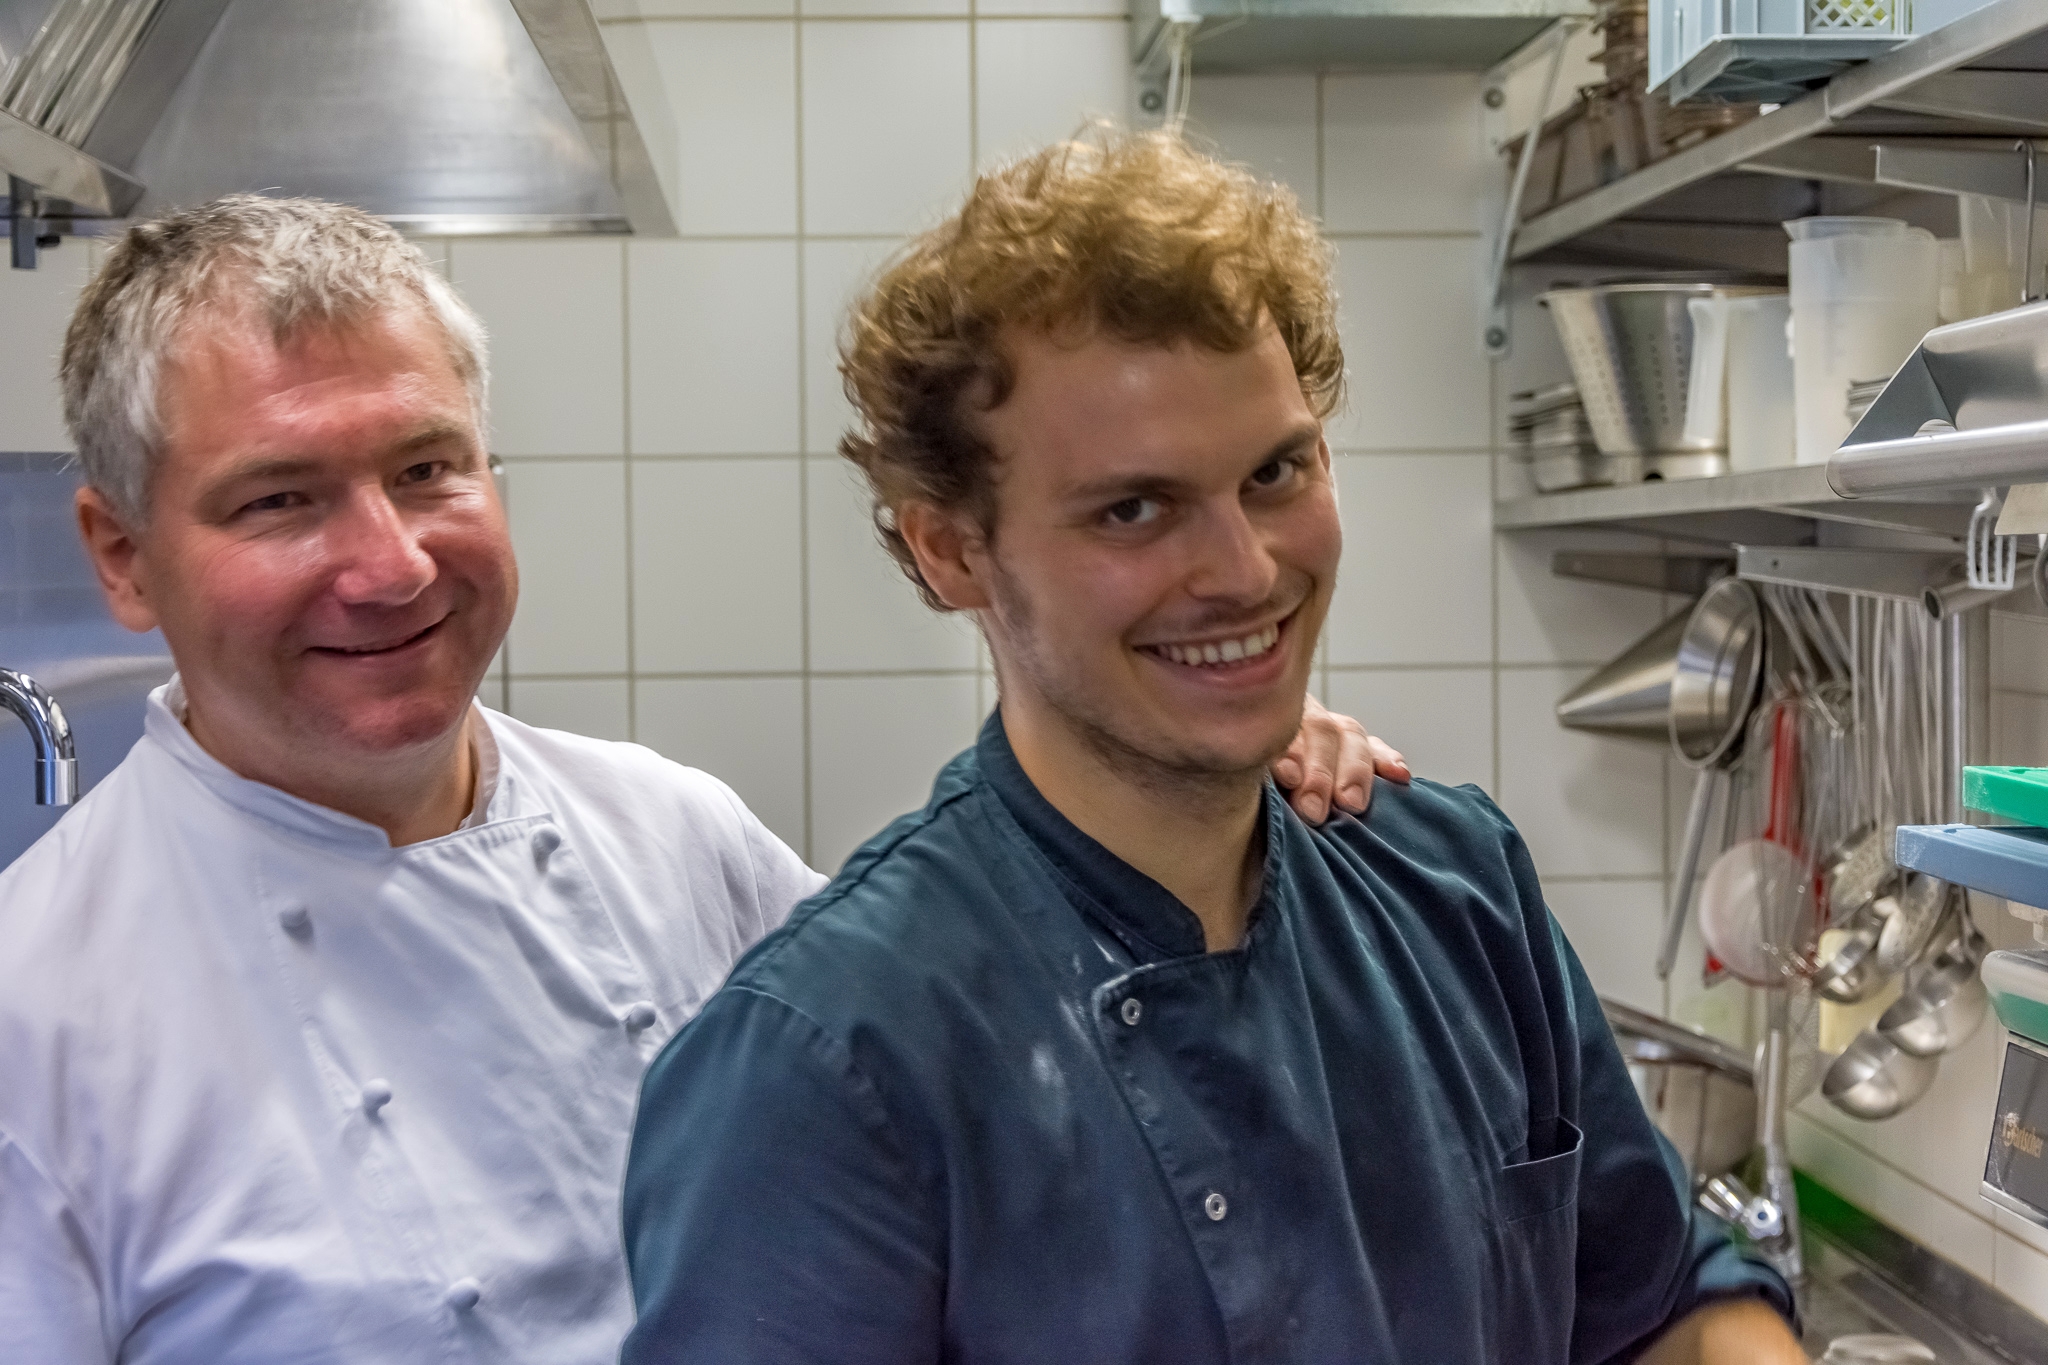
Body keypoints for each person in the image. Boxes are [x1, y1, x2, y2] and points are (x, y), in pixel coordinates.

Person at [0, 194, 1399, 1363]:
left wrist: (1201, 730)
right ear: (120, 554)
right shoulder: (38, 1013)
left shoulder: (670, 832)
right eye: (281, 498)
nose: (391, 564)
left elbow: (975, 1068)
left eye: (429, 468)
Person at [619, 131, 1805, 1365]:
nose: (1243, 572)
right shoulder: (825, 1063)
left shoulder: (1452, 885)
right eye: (1133, 509)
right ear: (951, 551)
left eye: (1275, 472)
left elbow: (1664, 1305)